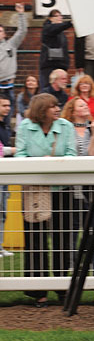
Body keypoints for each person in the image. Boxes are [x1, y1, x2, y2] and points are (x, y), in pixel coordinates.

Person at [15, 93, 76, 307]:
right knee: (35, 240)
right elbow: (20, 155)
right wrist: (41, 163)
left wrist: (55, 163)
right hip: (35, 190)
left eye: (57, 105)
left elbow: (72, 154)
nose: (57, 109)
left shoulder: (66, 126)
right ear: (41, 110)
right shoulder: (24, 127)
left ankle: (61, 289)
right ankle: (38, 291)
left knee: (63, 239)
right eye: (52, 106)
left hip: (62, 190)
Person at [61, 97, 94, 304]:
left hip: (88, 192)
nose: (85, 107)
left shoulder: (93, 129)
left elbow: (91, 158)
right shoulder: (65, 129)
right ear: (72, 110)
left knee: (91, 237)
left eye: (87, 105)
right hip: (70, 191)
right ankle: (70, 269)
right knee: (70, 234)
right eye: (81, 105)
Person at [0, 3, 27, 119]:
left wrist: (21, 14)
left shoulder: (11, 44)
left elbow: (22, 31)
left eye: (0, 31)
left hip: (9, 86)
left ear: (4, 34)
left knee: (7, 116)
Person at [39, 9, 72, 89]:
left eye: (60, 16)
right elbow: (55, 28)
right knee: (48, 88)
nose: (60, 17)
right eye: (56, 16)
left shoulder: (61, 32)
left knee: (59, 88)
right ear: (50, 18)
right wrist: (70, 23)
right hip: (49, 65)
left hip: (60, 64)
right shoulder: (48, 28)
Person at [0, 94, 16, 258]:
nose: (7, 108)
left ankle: (0, 246)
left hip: (4, 175)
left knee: (2, 212)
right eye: (3, 105)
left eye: (8, 105)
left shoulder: (4, 126)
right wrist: (12, 151)